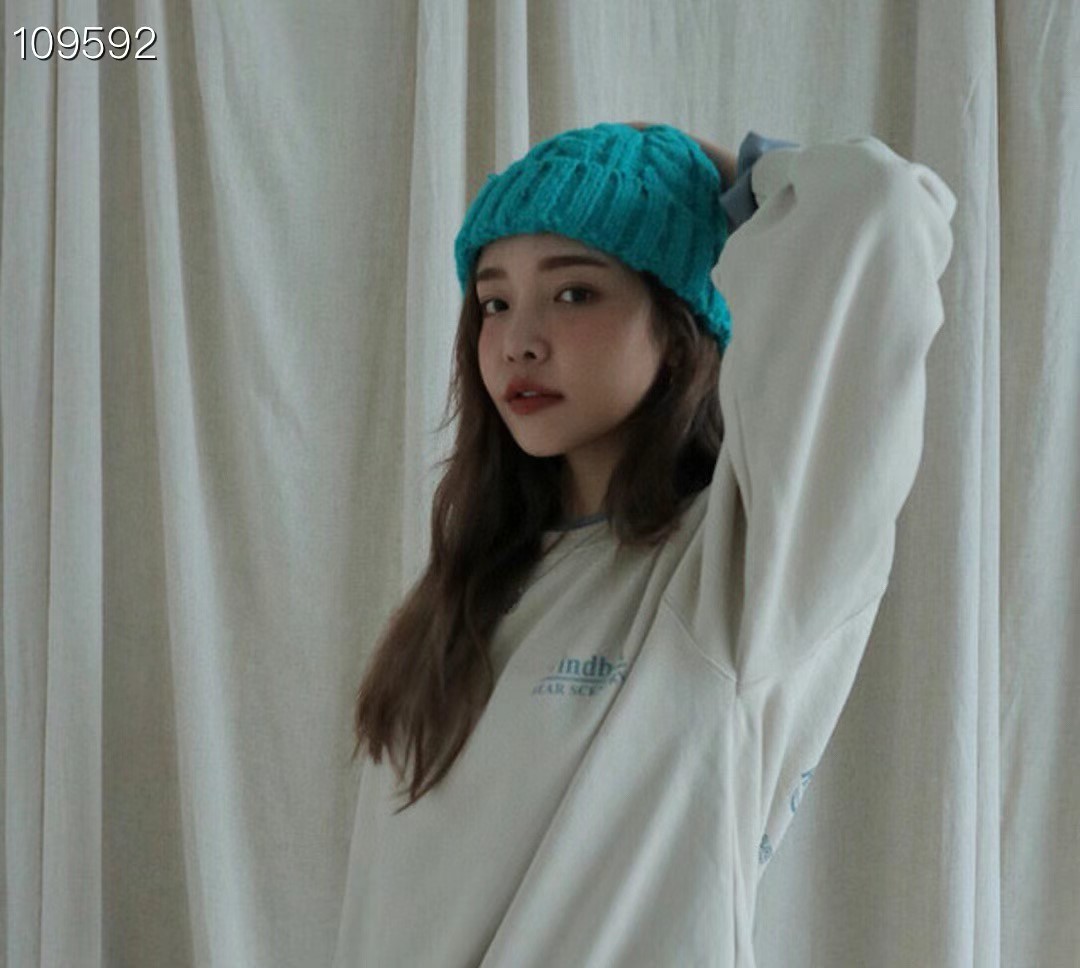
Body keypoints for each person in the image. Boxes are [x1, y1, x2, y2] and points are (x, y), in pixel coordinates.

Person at [331, 121, 957, 967]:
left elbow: (879, 209)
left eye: (574, 293)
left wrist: (728, 174)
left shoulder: (743, 570)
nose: (518, 340)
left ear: (678, 321)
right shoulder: (468, 592)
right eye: (494, 301)